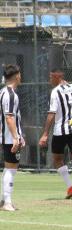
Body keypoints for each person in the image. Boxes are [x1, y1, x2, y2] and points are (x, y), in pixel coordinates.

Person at [38, 69, 72, 200]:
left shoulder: (55, 92)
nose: (50, 80)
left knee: (57, 160)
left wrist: (45, 134)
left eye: (51, 77)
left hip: (60, 131)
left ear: (57, 77)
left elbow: (51, 113)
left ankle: (71, 188)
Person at [0, 65, 24, 211]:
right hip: (9, 137)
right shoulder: (10, 94)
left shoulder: (3, 92)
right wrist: (16, 137)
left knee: (8, 167)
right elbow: (9, 117)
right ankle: (7, 202)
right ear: (16, 76)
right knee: (11, 168)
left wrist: (20, 135)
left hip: (7, 136)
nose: (21, 77)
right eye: (20, 74)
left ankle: (4, 200)